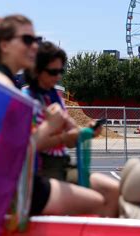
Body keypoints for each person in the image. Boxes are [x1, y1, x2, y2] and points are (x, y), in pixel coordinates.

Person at [0, 14, 117, 217]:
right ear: (4, 45)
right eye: (27, 40)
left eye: (35, 40)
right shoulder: (5, 87)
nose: (35, 46)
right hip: (17, 185)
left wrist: (81, 131)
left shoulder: (7, 85)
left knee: (105, 196)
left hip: (19, 180)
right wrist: (52, 126)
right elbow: (18, 149)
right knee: (96, 203)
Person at [22, 41, 119, 215]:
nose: (58, 77)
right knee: (96, 201)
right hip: (42, 172)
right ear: (35, 71)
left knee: (113, 191)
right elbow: (29, 145)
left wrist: (87, 132)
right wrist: (62, 137)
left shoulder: (54, 97)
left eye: (61, 71)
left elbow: (72, 139)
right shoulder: (26, 100)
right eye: (53, 72)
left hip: (64, 166)